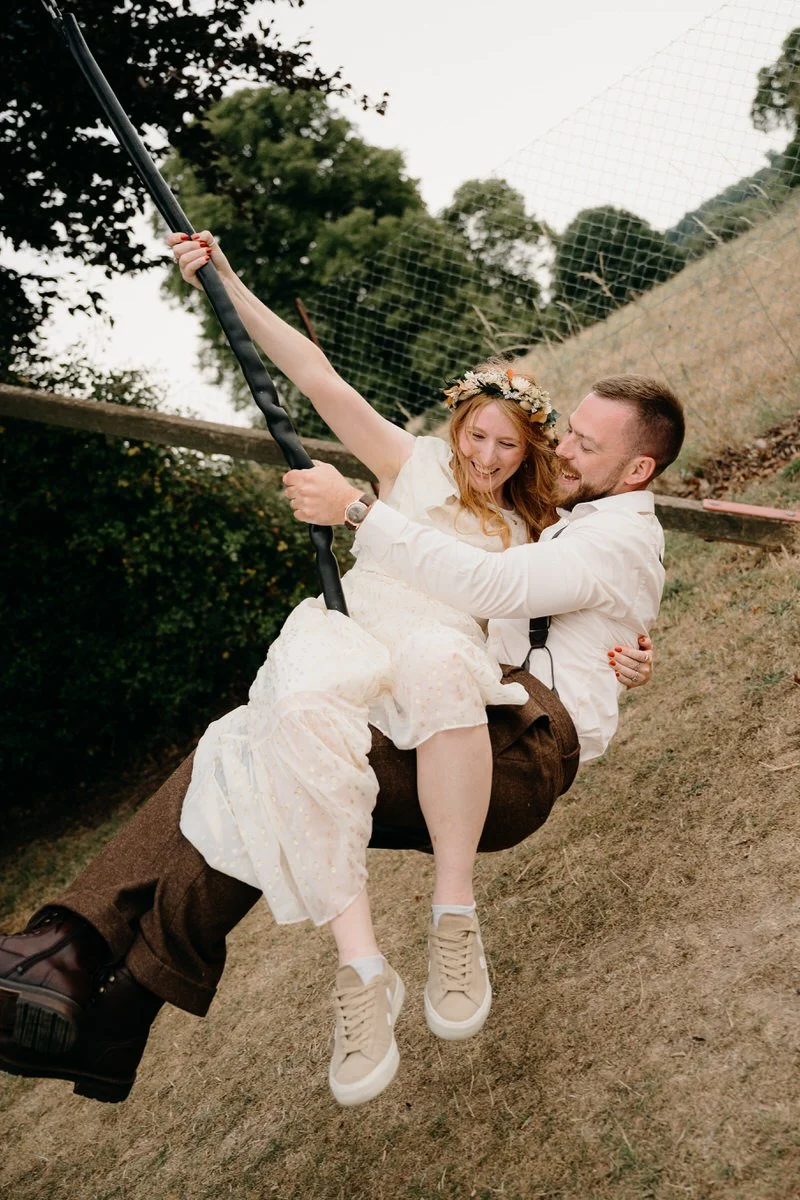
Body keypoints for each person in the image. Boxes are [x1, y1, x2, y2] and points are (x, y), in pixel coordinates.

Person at [0, 364, 666, 1107]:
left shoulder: (614, 536)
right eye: (567, 431)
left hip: (519, 736)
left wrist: (357, 512)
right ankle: (115, 1006)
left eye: (585, 443)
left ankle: (73, 949)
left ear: (638, 468)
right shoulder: (564, 515)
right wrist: (627, 649)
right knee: (264, 750)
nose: (565, 449)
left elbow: (496, 589)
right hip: (484, 715)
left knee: (274, 743)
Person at [169, 231, 610, 1106]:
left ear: (530, 457)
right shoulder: (406, 463)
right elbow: (313, 375)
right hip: (355, 633)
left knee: (446, 664)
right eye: (479, 436)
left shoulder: (528, 530)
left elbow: (588, 587)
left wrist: (626, 654)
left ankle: (454, 916)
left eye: (509, 448)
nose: (487, 457)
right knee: (294, 713)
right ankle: (363, 972)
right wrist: (227, 275)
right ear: (458, 427)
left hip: (434, 646)